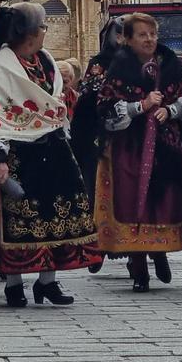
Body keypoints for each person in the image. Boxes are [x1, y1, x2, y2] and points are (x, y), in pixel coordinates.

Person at [0, 3, 102, 307]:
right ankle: (14, 284)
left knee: (55, 213)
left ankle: (47, 281)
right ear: (31, 33)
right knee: (17, 218)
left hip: (51, 145)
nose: (45, 32)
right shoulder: (1, 67)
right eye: (43, 27)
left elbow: (52, 101)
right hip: (17, 150)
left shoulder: (45, 60)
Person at [96, 13, 182, 292]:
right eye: (142, 35)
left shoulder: (172, 64)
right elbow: (104, 108)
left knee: (163, 201)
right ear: (128, 39)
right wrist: (139, 106)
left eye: (153, 34)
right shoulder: (119, 69)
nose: (149, 40)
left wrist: (171, 109)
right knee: (132, 202)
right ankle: (139, 266)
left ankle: (160, 251)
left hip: (167, 147)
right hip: (130, 149)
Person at [69, 16, 124, 274]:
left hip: (131, 139)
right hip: (99, 138)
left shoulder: (144, 61)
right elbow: (88, 101)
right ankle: (98, 246)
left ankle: (141, 252)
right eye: (118, 33)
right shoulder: (99, 64)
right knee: (99, 192)